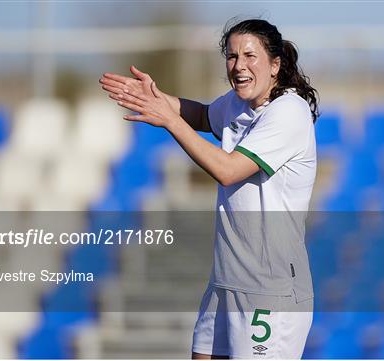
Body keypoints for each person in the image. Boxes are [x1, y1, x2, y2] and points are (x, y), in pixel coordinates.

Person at [100, 18, 319, 360]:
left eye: (250, 56)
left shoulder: (289, 112)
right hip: (225, 280)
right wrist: (158, 99)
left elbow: (227, 170)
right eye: (231, 57)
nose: (238, 65)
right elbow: (203, 115)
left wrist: (169, 120)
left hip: (269, 291)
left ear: (275, 65)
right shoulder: (238, 103)